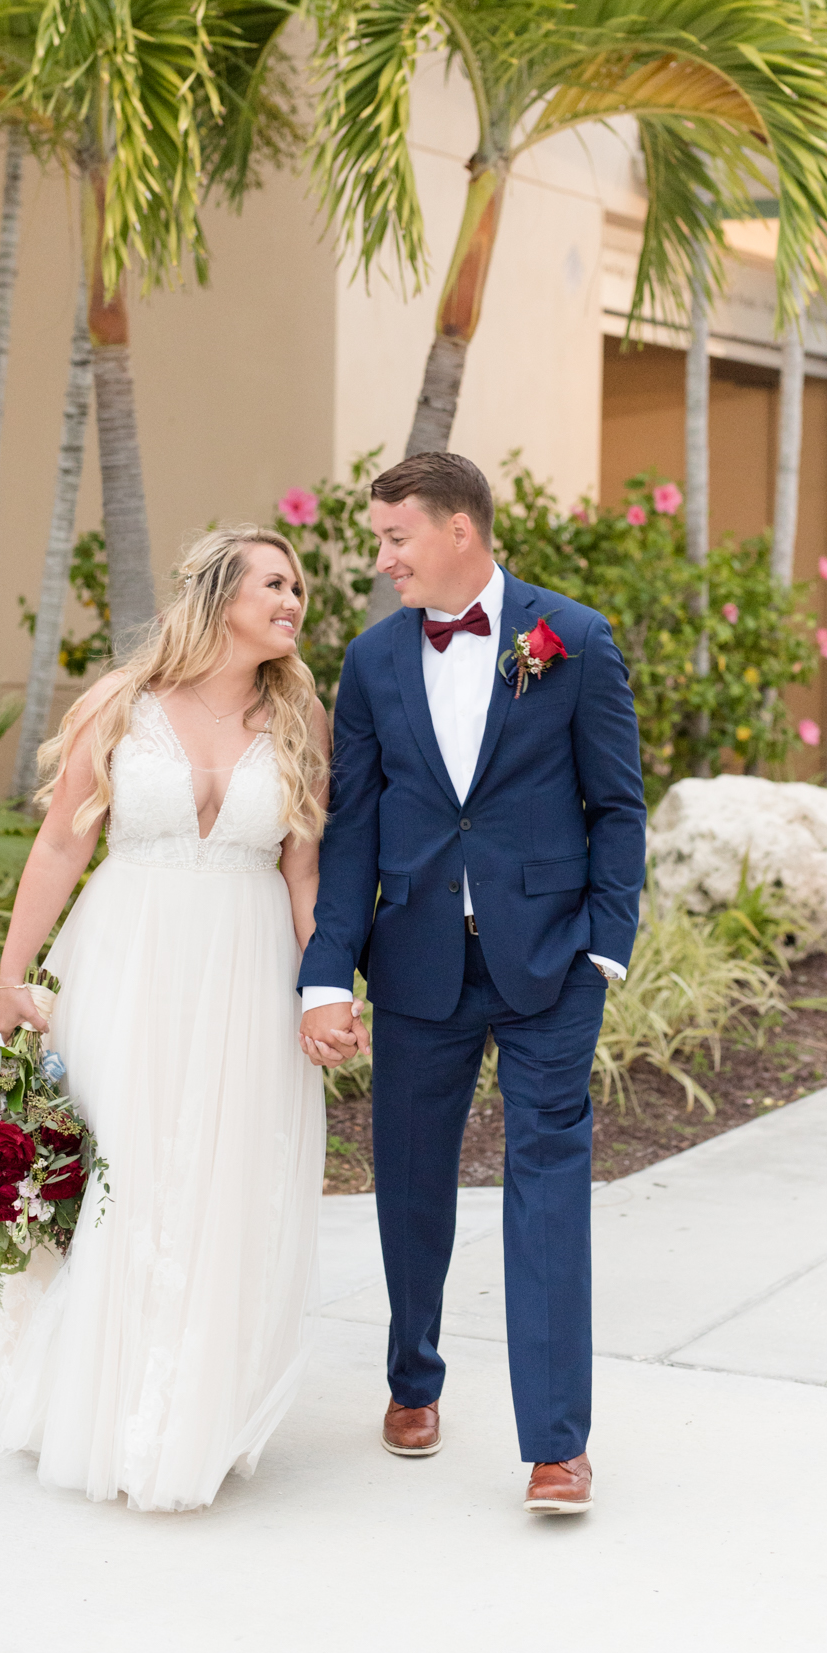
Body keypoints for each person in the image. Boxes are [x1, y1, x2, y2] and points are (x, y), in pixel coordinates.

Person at [0, 527, 335, 1512]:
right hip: (127, 954)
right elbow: (58, 844)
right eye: (274, 580)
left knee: (216, 1173)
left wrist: (326, 990)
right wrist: (15, 977)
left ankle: (185, 1393)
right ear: (219, 592)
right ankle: (96, 1383)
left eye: (298, 584)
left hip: (245, 967)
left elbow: (303, 867)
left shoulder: (298, 708)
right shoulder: (121, 702)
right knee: (115, 1164)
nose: (294, 596)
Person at [298, 452, 647, 1515]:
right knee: (409, 1181)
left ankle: (555, 1444)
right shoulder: (371, 660)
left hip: (547, 961)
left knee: (546, 1192)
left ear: (460, 529)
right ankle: (413, 1375)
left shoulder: (570, 638)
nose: (384, 557)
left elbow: (618, 805)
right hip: (414, 963)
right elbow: (352, 823)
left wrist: (602, 944)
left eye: (397, 536)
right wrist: (325, 972)